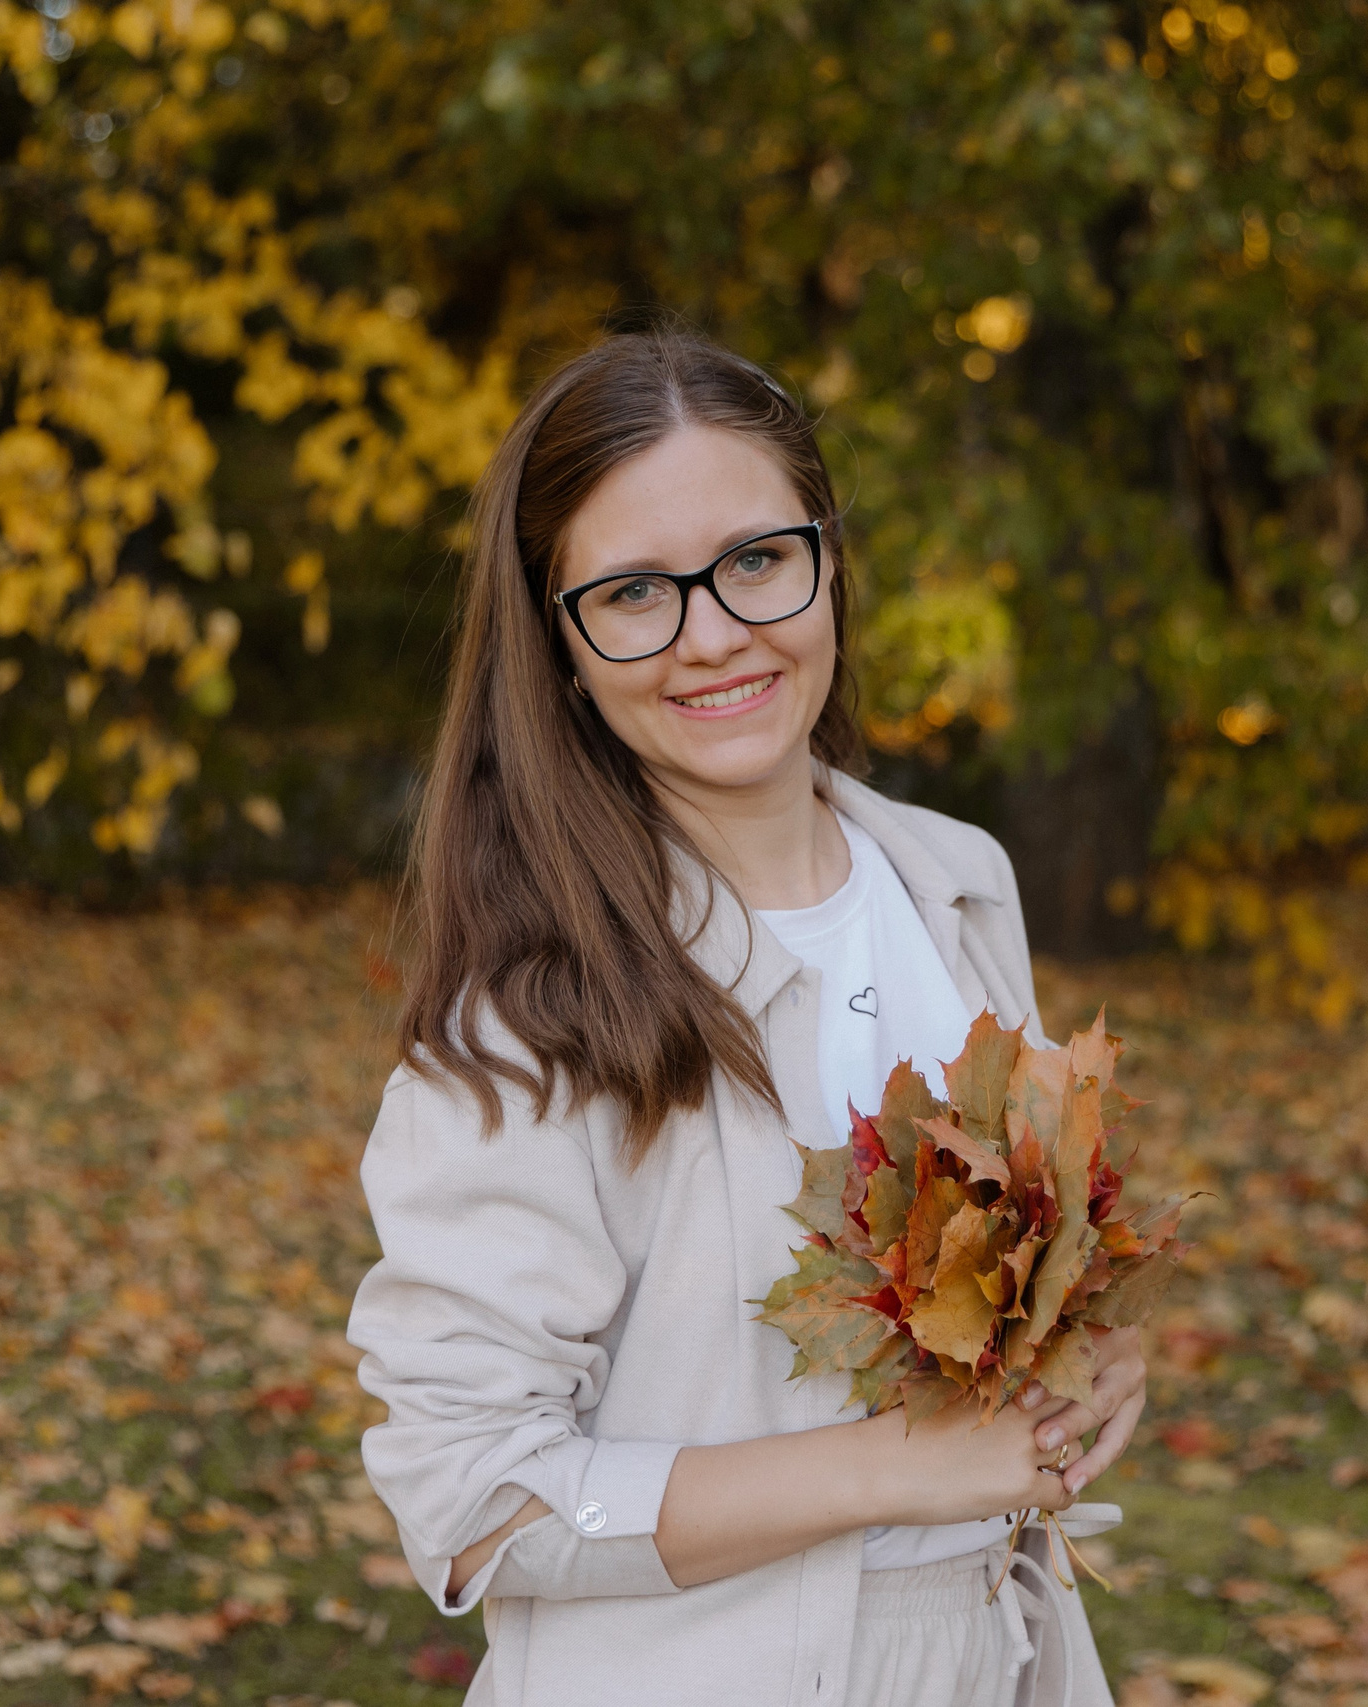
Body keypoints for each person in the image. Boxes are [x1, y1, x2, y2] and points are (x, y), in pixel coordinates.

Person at [343, 325, 1149, 1707]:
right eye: (635, 594)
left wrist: (1083, 1368)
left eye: (758, 561)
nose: (715, 634)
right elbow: (477, 1501)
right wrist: (894, 1473)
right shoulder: (530, 1022)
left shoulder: (958, 883)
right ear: (564, 646)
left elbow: (985, 1297)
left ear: (827, 556)